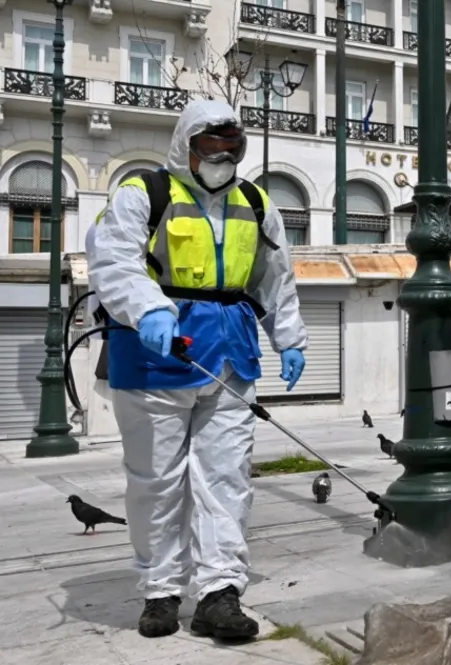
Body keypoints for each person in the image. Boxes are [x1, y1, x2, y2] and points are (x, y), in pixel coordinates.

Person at [88, 99, 308, 640]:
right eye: (212, 145)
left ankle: (219, 591)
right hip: (154, 354)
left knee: (227, 479)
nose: (222, 156)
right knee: (156, 482)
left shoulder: (255, 202)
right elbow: (113, 261)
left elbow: (274, 277)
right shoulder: (144, 193)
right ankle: (160, 590)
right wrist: (151, 310)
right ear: (186, 143)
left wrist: (290, 338)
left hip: (230, 357)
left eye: (232, 147)